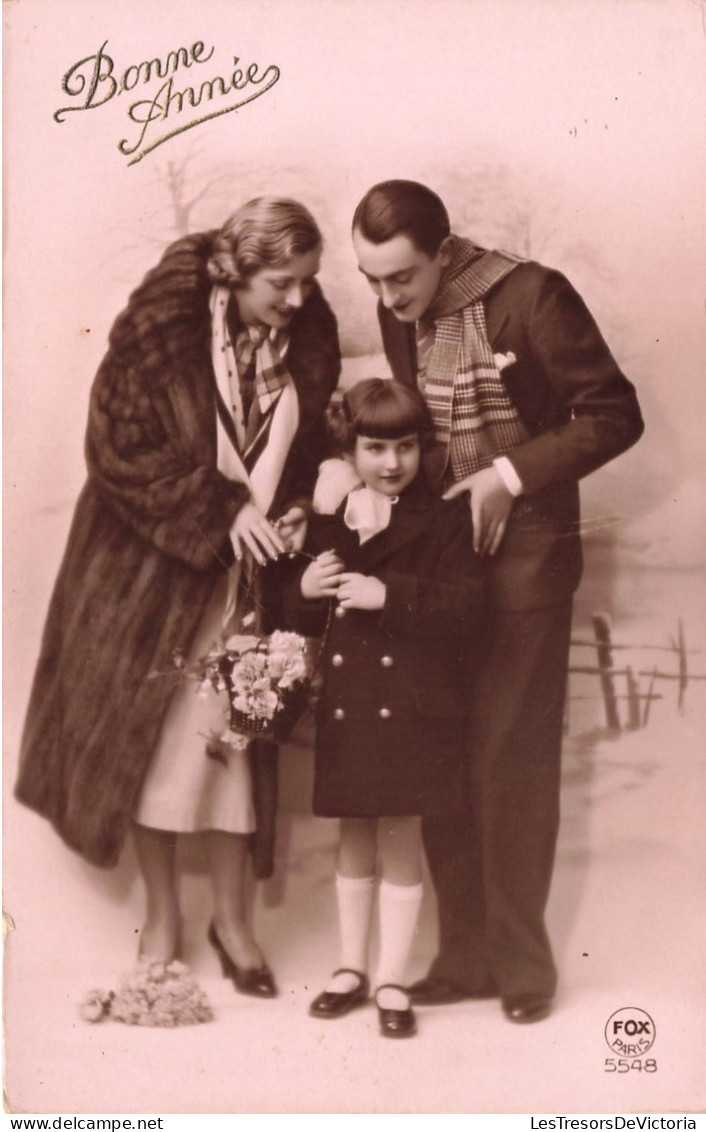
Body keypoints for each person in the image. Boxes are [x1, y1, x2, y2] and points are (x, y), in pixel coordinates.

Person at [16, 197, 341, 996]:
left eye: (307, 282)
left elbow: (305, 446)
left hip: (247, 587)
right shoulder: (161, 328)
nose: (297, 299)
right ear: (236, 269)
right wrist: (219, 507)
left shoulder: (308, 336)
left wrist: (295, 502)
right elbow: (116, 446)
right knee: (152, 749)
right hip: (146, 577)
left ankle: (234, 924)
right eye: (281, 283)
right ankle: (162, 917)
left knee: (235, 752)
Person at [351, 180, 644, 1023]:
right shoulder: (395, 309)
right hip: (440, 562)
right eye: (372, 280)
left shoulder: (533, 295)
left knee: (510, 766)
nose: (387, 299)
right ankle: (463, 958)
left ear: (444, 253)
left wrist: (509, 477)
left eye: (400, 278)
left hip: (525, 561)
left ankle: (522, 970)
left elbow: (613, 415)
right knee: (443, 756)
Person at [281, 378, 485, 1037]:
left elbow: (467, 608)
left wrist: (387, 594)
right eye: (375, 448)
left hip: (412, 706)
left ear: (423, 448)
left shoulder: (446, 516)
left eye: (405, 447)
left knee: (399, 837)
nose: (392, 463)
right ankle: (349, 969)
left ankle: (392, 978)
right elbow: (299, 613)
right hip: (352, 703)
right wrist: (306, 590)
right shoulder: (330, 520)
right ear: (352, 449)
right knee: (353, 835)